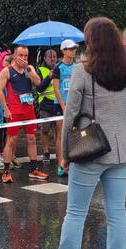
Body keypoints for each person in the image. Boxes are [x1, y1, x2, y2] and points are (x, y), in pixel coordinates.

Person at [50, 17, 126, 249]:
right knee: (117, 216)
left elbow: (70, 115)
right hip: (121, 152)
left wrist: (65, 152)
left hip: (89, 150)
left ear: (91, 41)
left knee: (76, 214)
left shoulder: (82, 71)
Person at [0, 45, 48, 182]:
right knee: (11, 140)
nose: (23, 58)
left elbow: (38, 83)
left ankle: (34, 170)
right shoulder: (7, 71)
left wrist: (28, 69)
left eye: (26, 56)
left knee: (32, 139)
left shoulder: (29, 68)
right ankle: (6, 172)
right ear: (14, 56)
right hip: (14, 110)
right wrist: (6, 109)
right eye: (21, 55)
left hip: (28, 109)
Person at [53, 39, 79, 176]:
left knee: (75, 133)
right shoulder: (58, 68)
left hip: (75, 105)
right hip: (61, 105)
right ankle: (61, 163)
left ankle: (73, 162)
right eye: (70, 49)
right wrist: (63, 106)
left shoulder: (77, 67)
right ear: (63, 51)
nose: (73, 51)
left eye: (74, 48)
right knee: (61, 133)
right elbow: (56, 89)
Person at [37, 49, 58, 164]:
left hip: (58, 103)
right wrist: (49, 77)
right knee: (45, 129)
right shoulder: (40, 70)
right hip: (45, 104)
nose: (53, 59)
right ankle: (46, 152)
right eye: (50, 57)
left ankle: (59, 152)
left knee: (58, 130)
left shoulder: (59, 69)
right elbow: (39, 88)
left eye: (54, 56)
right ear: (45, 58)